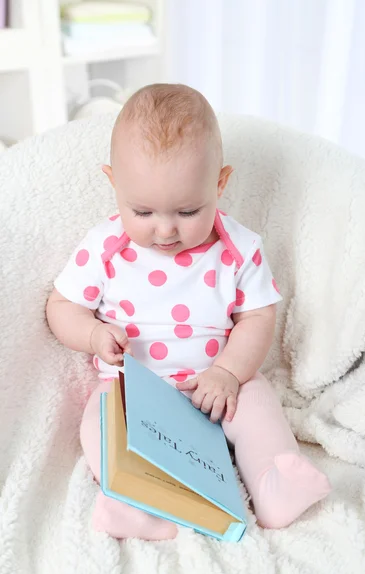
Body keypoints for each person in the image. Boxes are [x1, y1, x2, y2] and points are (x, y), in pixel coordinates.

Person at [46, 83, 331, 541]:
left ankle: (273, 486)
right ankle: (135, 503)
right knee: (101, 423)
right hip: (132, 389)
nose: (164, 230)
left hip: (217, 384)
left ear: (219, 183)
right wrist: (93, 335)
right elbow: (61, 306)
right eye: (142, 211)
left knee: (259, 409)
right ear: (113, 182)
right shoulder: (105, 247)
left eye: (187, 210)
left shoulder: (239, 249)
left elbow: (257, 318)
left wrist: (229, 373)